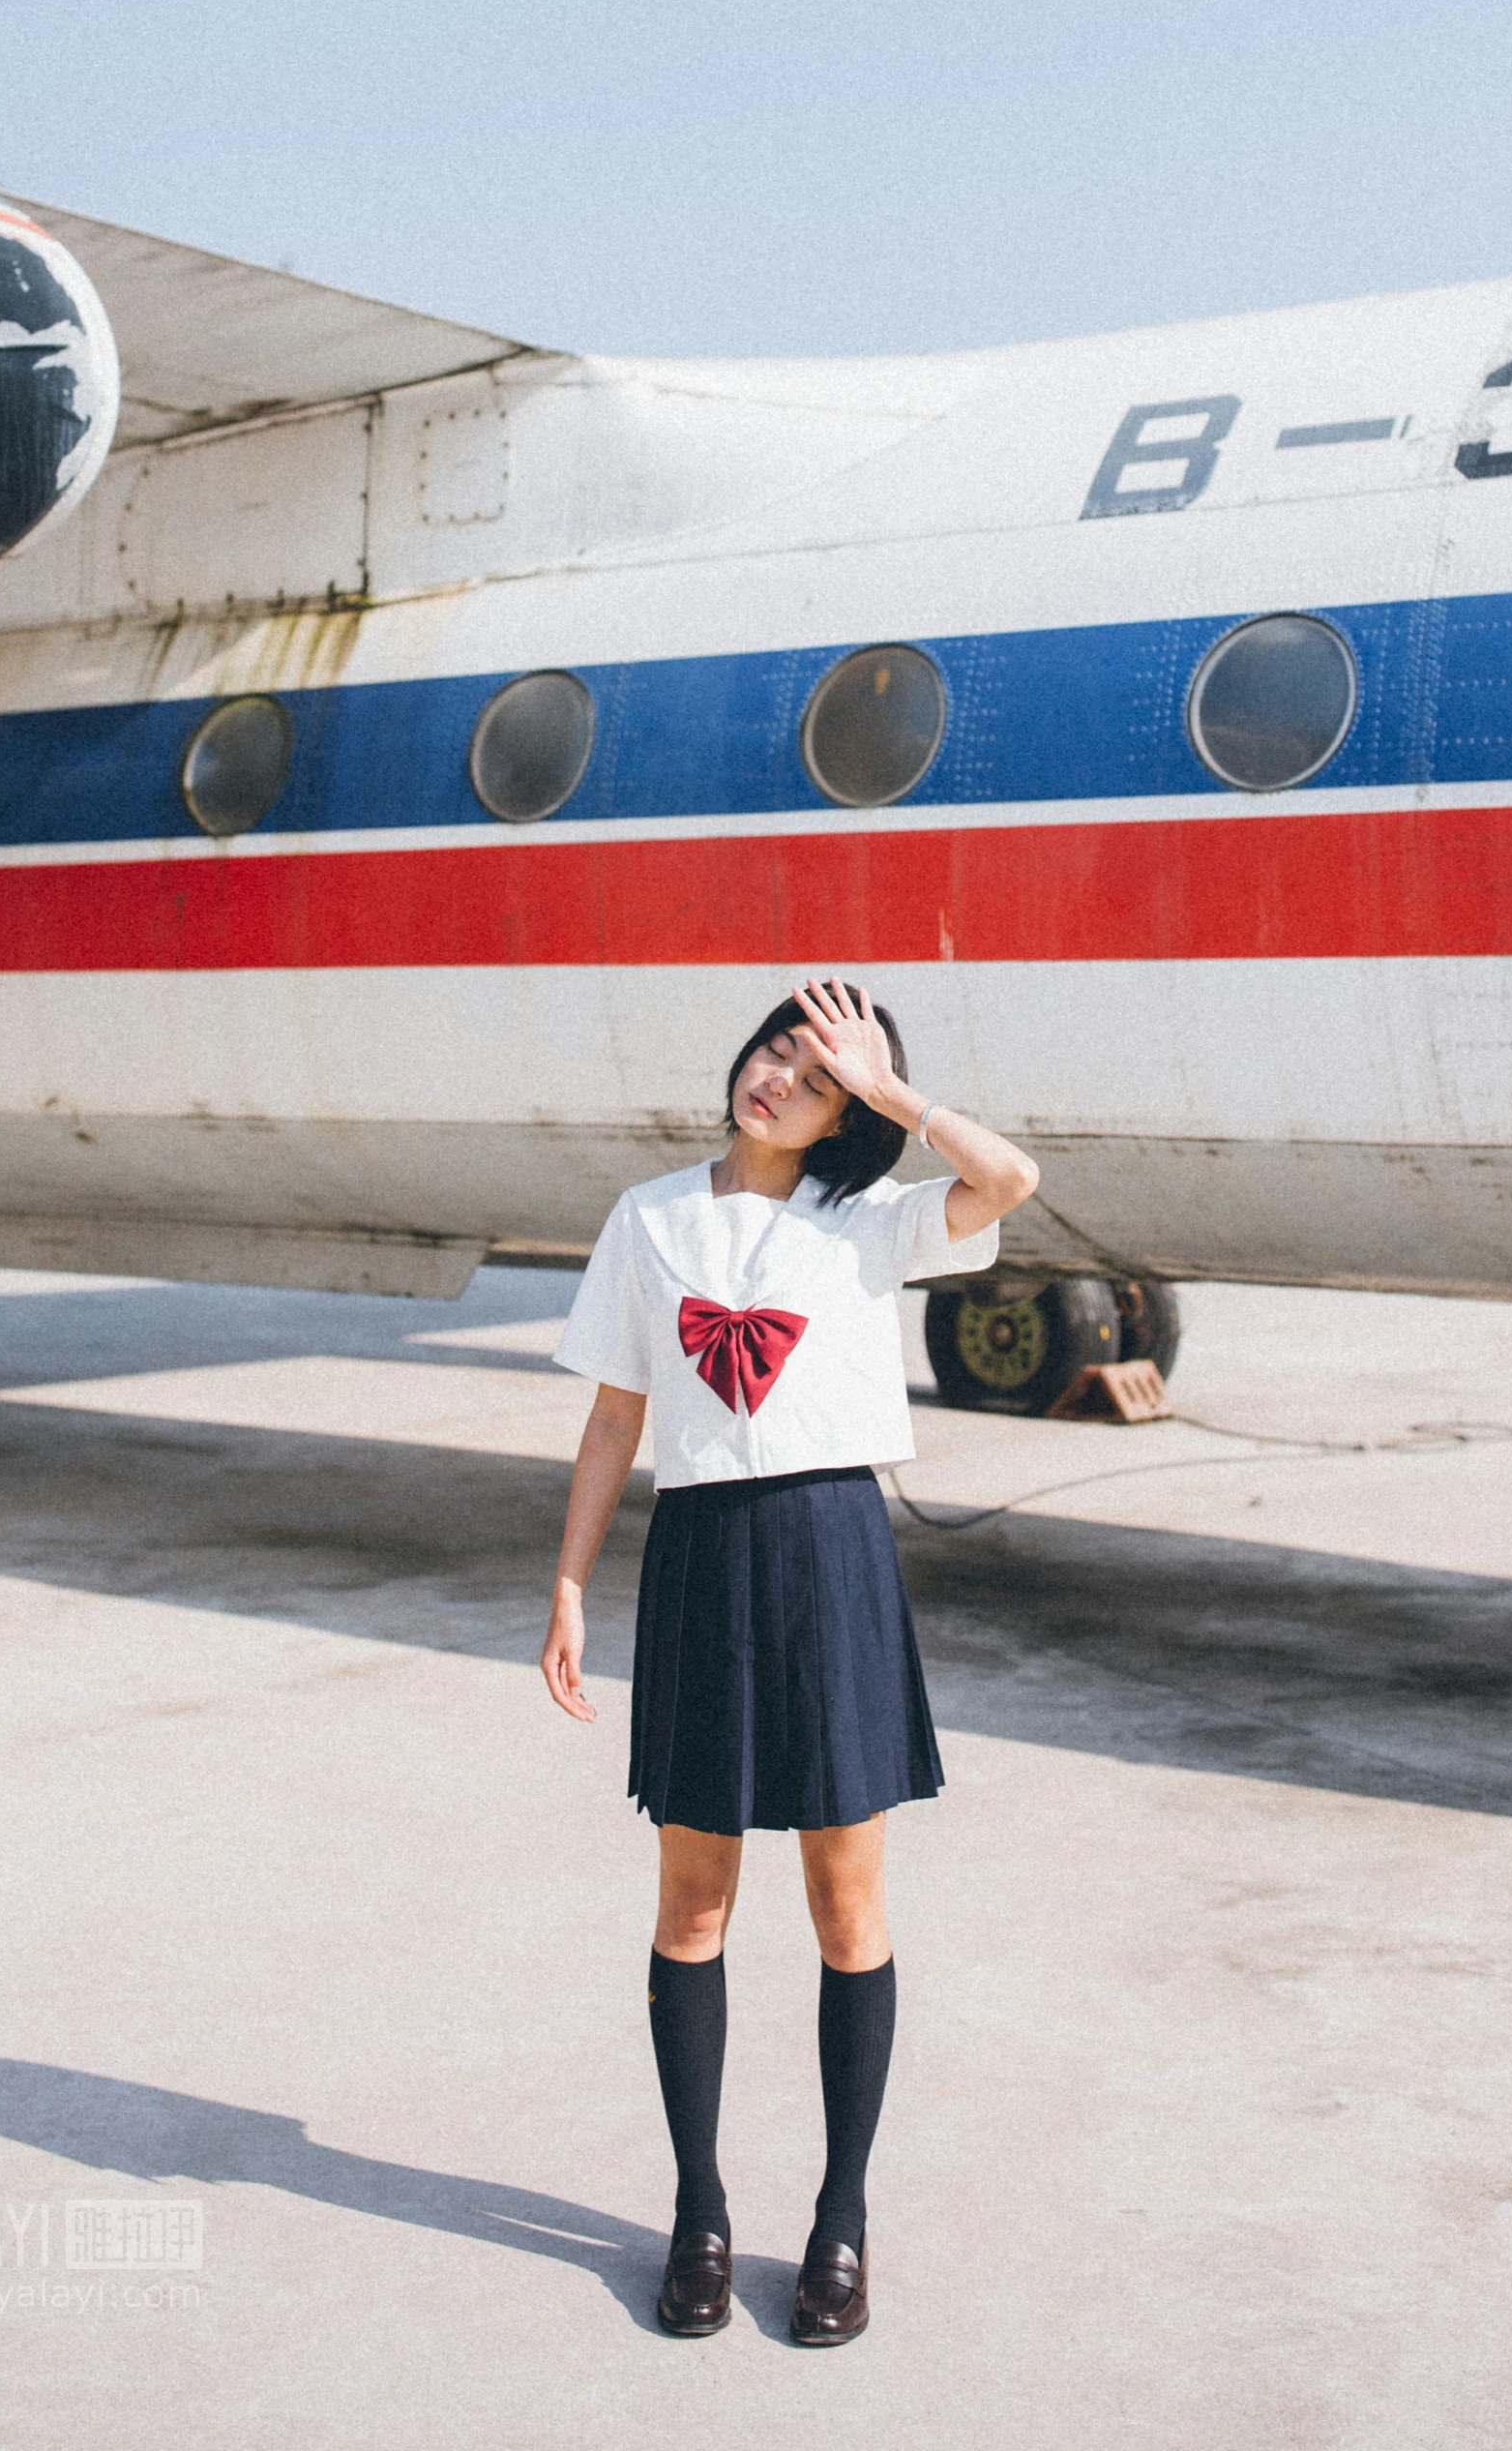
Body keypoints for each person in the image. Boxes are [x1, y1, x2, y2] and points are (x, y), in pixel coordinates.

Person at [540, 974, 1041, 2346]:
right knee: (693, 1905)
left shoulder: (867, 1222)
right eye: (777, 1050)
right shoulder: (649, 1218)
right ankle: (700, 2215)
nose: (779, 1081)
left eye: (814, 1077)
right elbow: (612, 1420)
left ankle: (841, 2223)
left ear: (843, 1116)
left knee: (846, 1906)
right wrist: (571, 1586)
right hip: (700, 1560)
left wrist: (894, 1093)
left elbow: (1009, 1179)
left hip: (831, 1557)